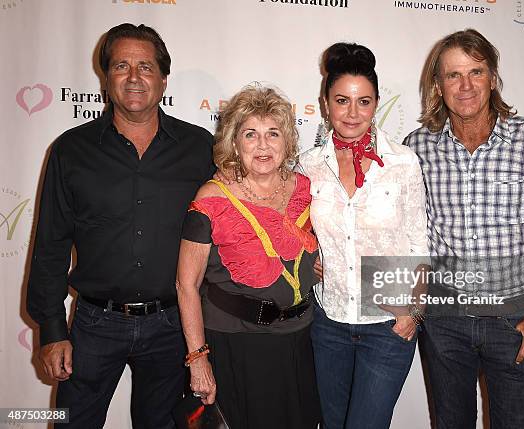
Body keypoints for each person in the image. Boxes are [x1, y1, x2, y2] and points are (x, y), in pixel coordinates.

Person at [26, 23, 215, 428]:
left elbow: (232, 229)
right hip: (95, 324)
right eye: (121, 66)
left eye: (146, 67)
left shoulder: (201, 149)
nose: (134, 78)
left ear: (164, 79)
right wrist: (52, 329)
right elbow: (51, 245)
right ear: (105, 77)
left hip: (172, 326)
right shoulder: (70, 151)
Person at [404, 28, 524, 429]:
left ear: (493, 78)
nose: (465, 86)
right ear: (438, 84)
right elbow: (406, 231)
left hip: (516, 318)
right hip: (445, 321)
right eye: (453, 75)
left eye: (476, 72)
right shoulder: (417, 146)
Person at [299, 42, 429, 429]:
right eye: (342, 101)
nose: (352, 113)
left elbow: (420, 242)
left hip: (388, 325)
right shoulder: (308, 165)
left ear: (376, 104)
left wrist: (414, 313)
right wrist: (310, 258)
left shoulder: (402, 162)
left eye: (364, 102)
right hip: (329, 324)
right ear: (325, 104)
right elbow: (293, 231)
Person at [176, 85, 321, 429]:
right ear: (234, 143)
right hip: (237, 344)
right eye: (251, 134)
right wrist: (198, 359)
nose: (263, 145)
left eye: (273, 133)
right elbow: (186, 284)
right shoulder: (212, 197)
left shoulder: (307, 187)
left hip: (302, 340)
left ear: (287, 140)